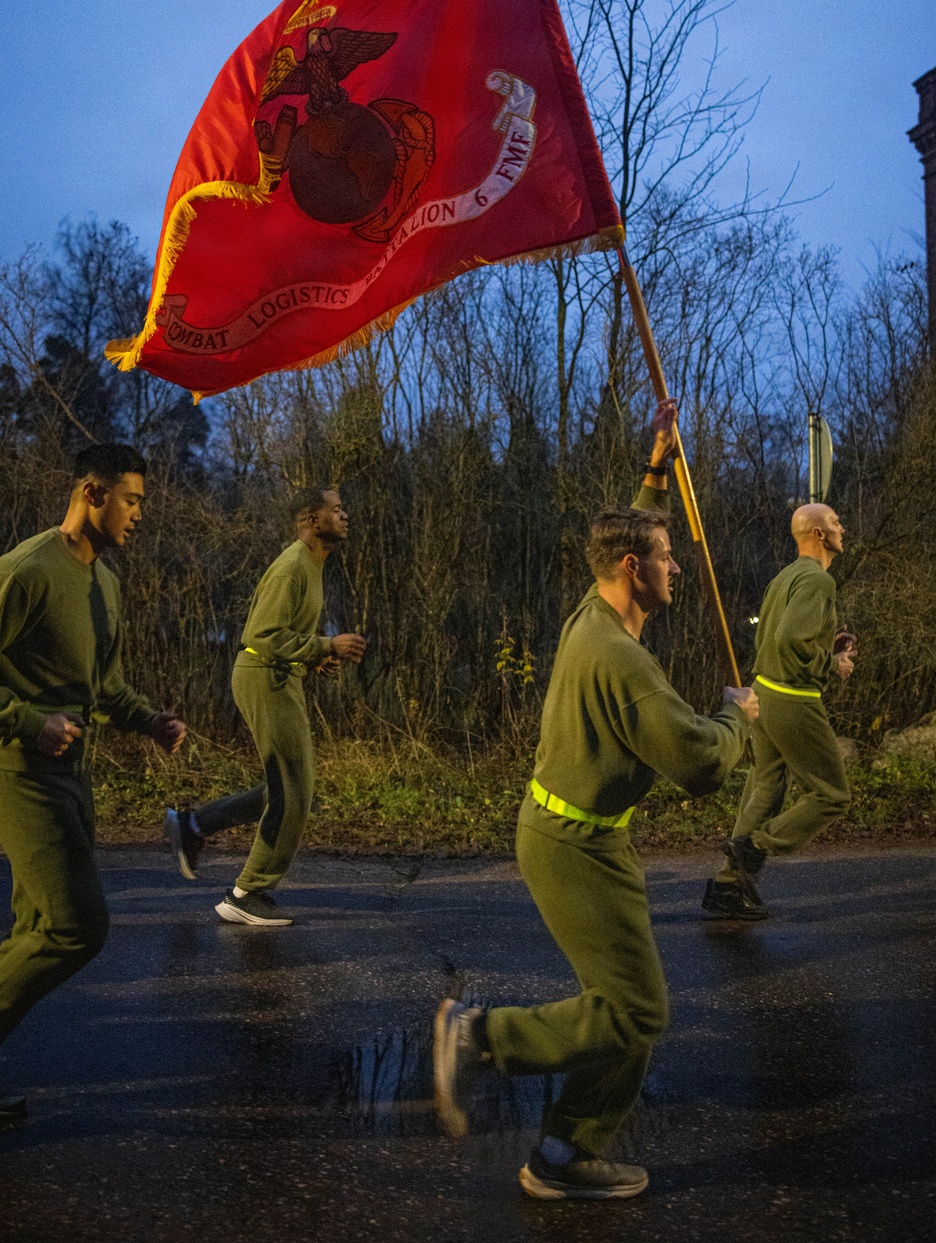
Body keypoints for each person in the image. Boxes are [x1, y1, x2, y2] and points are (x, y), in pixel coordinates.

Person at [434, 467, 759, 1201]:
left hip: (587, 837)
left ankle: (565, 1151)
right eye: (665, 556)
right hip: (570, 844)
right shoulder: (625, 662)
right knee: (638, 1008)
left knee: (623, 1006)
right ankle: (482, 1038)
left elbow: (630, 531)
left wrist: (655, 467)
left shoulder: (596, 611)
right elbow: (701, 761)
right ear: (630, 569)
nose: (676, 565)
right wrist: (740, 713)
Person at [0, 444, 186, 1126]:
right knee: (78, 926)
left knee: (36, 927)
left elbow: (101, 685)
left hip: (73, 776)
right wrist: (26, 720)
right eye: (132, 500)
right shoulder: (26, 570)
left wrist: (149, 718)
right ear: (92, 492)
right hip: (20, 773)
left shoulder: (104, 583)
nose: (140, 514)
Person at [165, 486, 366, 926]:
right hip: (263, 677)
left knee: (286, 788)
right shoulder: (293, 566)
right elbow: (260, 635)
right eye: (337, 509)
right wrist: (325, 643)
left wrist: (316, 657)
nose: (345, 515)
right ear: (313, 520)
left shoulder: (312, 565)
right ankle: (247, 893)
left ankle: (194, 826)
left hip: (277, 676)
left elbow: (284, 635)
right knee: (294, 789)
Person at [702, 502, 857, 922]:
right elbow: (792, 639)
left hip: (762, 693)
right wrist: (833, 663)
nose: (844, 528)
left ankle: (726, 887)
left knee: (766, 787)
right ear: (820, 534)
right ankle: (757, 847)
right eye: (837, 522)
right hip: (793, 699)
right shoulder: (818, 581)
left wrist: (829, 644)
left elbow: (778, 636)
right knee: (831, 795)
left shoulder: (785, 576)